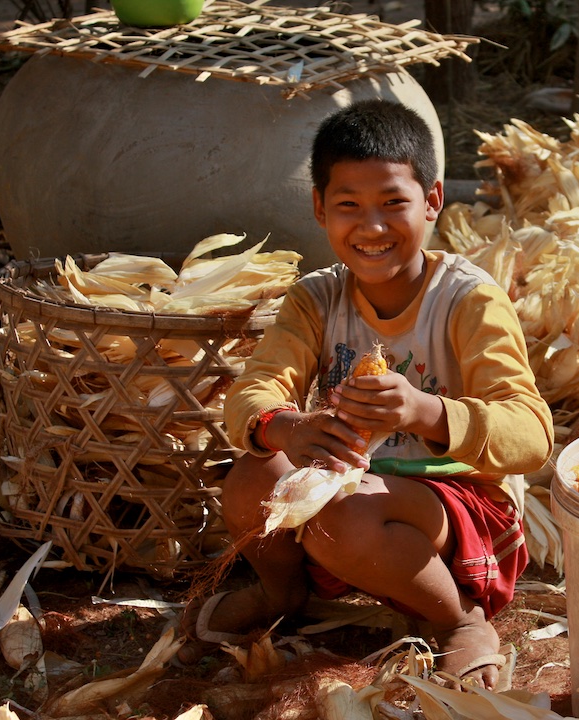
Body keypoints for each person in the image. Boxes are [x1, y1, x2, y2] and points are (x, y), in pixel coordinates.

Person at [178, 98, 554, 691]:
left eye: (393, 204)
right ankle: (284, 592)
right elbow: (253, 391)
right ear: (320, 208)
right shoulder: (315, 300)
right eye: (348, 205)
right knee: (253, 476)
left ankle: (458, 618)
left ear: (431, 202)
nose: (371, 227)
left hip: (452, 501)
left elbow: (531, 433)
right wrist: (289, 428)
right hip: (349, 491)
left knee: (342, 516)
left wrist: (425, 410)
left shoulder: (467, 301)